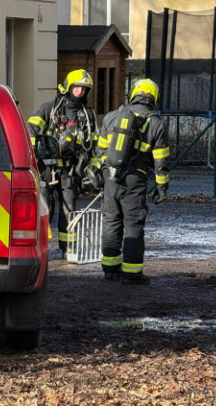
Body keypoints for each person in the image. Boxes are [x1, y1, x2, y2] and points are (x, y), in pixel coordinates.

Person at [97, 79, 170, 285]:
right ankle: (131, 273)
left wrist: (103, 176)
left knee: (111, 221)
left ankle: (110, 270)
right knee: (133, 224)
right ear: (153, 98)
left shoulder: (112, 117)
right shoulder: (156, 124)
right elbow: (161, 161)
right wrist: (162, 188)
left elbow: (100, 151)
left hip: (110, 178)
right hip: (134, 180)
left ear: (133, 95)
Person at [27, 70, 100, 258]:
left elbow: (93, 146)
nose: (80, 91)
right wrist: (46, 148)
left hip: (71, 170)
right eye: (77, 87)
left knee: (69, 210)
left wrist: (92, 170)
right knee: (44, 208)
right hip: (47, 168)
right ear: (68, 86)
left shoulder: (88, 115)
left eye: (84, 89)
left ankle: (68, 249)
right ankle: (38, 248)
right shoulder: (49, 109)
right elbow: (30, 131)